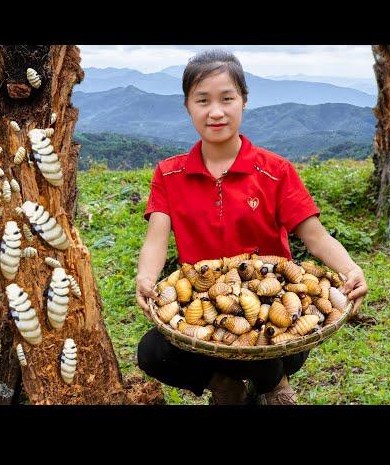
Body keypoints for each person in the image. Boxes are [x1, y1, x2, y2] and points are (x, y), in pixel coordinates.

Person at [134, 49, 368, 405]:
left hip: (275, 320)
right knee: (152, 353)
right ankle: (226, 387)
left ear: (243, 101)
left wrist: (350, 270)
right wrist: (146, 278)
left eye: (227, 98)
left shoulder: (275, 171)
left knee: (266, 339)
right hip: (205, 315)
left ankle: (274, 384)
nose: (216, 111)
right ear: (187, 106)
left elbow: (315, 236)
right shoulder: (169, 174)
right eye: (202, 100)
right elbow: (156, 240)